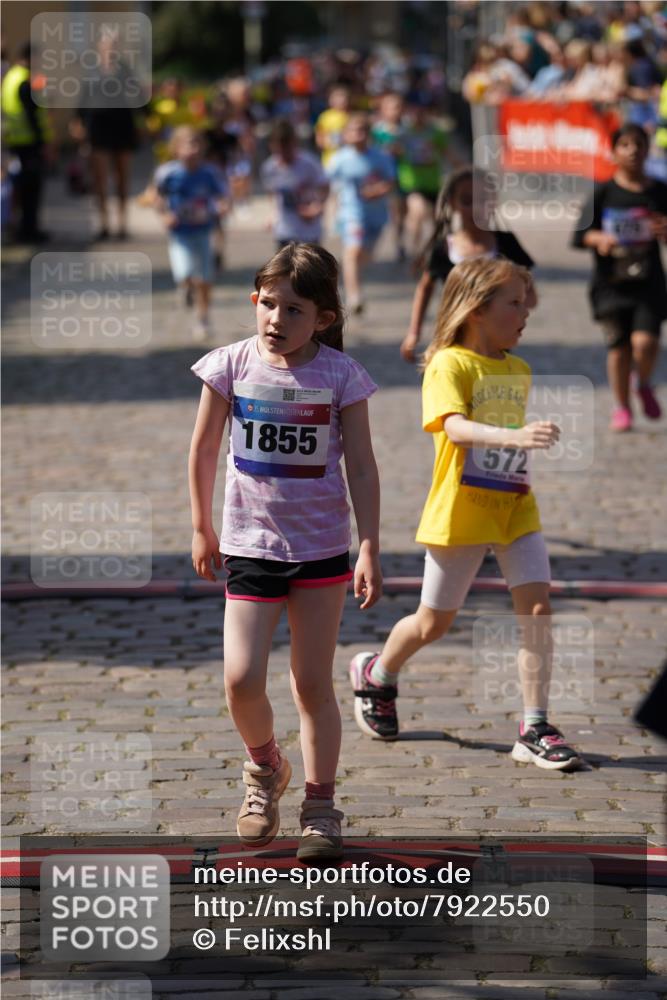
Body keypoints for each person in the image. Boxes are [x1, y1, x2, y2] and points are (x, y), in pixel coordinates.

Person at [349, 257, 582, 772]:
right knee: (434, 622)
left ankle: (535, 725)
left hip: (516, 507)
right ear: (476, 309)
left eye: (527, 302)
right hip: (460, 511)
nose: (526, 314)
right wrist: (515, 437)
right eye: (514, 304)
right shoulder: (449, 364)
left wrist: (517, 446)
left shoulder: (518, 368)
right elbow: (453, 429)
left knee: (537, 612)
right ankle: (378, 674)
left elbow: (503, 443)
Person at [189, 242, 382, 861]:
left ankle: (321, 805)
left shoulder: (342, 376)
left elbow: (364, 468)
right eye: (268, 304)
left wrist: (371, 546)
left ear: (323, 318)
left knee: (310, 683)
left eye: (294, 309)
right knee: (241, 678)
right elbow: (201, 451)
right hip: (249, 546)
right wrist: (201, 527)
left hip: (323, 550)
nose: (276, 319)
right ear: (254, 302)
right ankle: (266, 768)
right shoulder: (229, 365)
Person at [571, 123, 666, 431]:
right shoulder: (603, 192)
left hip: (648, 280)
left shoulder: (659, 192)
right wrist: (598, 238)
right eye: (625, 145)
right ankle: (622, 406)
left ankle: (644, 382)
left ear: (647, 148)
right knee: (618, 348)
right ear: (613, 152)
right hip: (610, 283)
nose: (633, 150)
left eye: (638, 144)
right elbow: (579, 235)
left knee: (646, 344)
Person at [401, 167, 536, 362]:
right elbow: (425, 288)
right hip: (452, 338)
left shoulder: (506, 244)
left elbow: (529, 291)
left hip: (494, 342)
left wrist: (513, 308)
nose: (475, 208)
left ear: (494, 202)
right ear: (452, 204)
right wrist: (414, 333)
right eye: (466, 201)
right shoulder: (444, 249)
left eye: (483, 200)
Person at [154, 126, 229, 341]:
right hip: (180, 234)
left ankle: (203, 319)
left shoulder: (209, 173)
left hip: (203, 232)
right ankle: (185, 286)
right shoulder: (168, 173)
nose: (193, 150)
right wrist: (164, 215)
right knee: (185, 273)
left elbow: (223, 195)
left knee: (205, 279)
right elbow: (156, 197)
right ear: (176, 149)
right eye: (187, 145)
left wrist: (223, 206)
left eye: (197, 144)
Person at [327, 112, 395, 313]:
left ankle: (352, 275)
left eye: (363, 130)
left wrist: (378, 191)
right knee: (353, 251)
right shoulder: (339, 159)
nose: (359, 134)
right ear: (346, 134)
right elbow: (327, 185)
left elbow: (391, 181)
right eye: (354, 130)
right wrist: (331, 211)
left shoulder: (380, 156)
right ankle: (354, 295)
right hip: (352, 213)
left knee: (365, 255)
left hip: (376, 216)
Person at [1, 42, 54, 242]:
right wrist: (45, 144)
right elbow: (33, 116)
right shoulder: (25, 81)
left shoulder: (10, 78)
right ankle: (29, 230)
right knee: (31, 191)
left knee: (19, 189)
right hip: (29, 144)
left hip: (14, 142)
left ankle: (20, 228)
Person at [260, 119, 329, 249]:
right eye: (279, 150)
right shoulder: (269, 168)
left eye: (287, 149)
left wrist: (317, 206)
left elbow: (324, 186)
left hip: (309, 230)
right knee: (285, 268)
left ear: (294, 143)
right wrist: (273, 214)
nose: (284, 155)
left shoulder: (309, 163)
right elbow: (273, 193)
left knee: (309, 268)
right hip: (285, 230)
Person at [314, 84, 352, 167]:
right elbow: (320, 138)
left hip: (349, 160)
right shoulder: (325, 117)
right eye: (337, 98)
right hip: (331, 159)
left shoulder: (351, 117)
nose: (341, 101)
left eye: (343, 98)